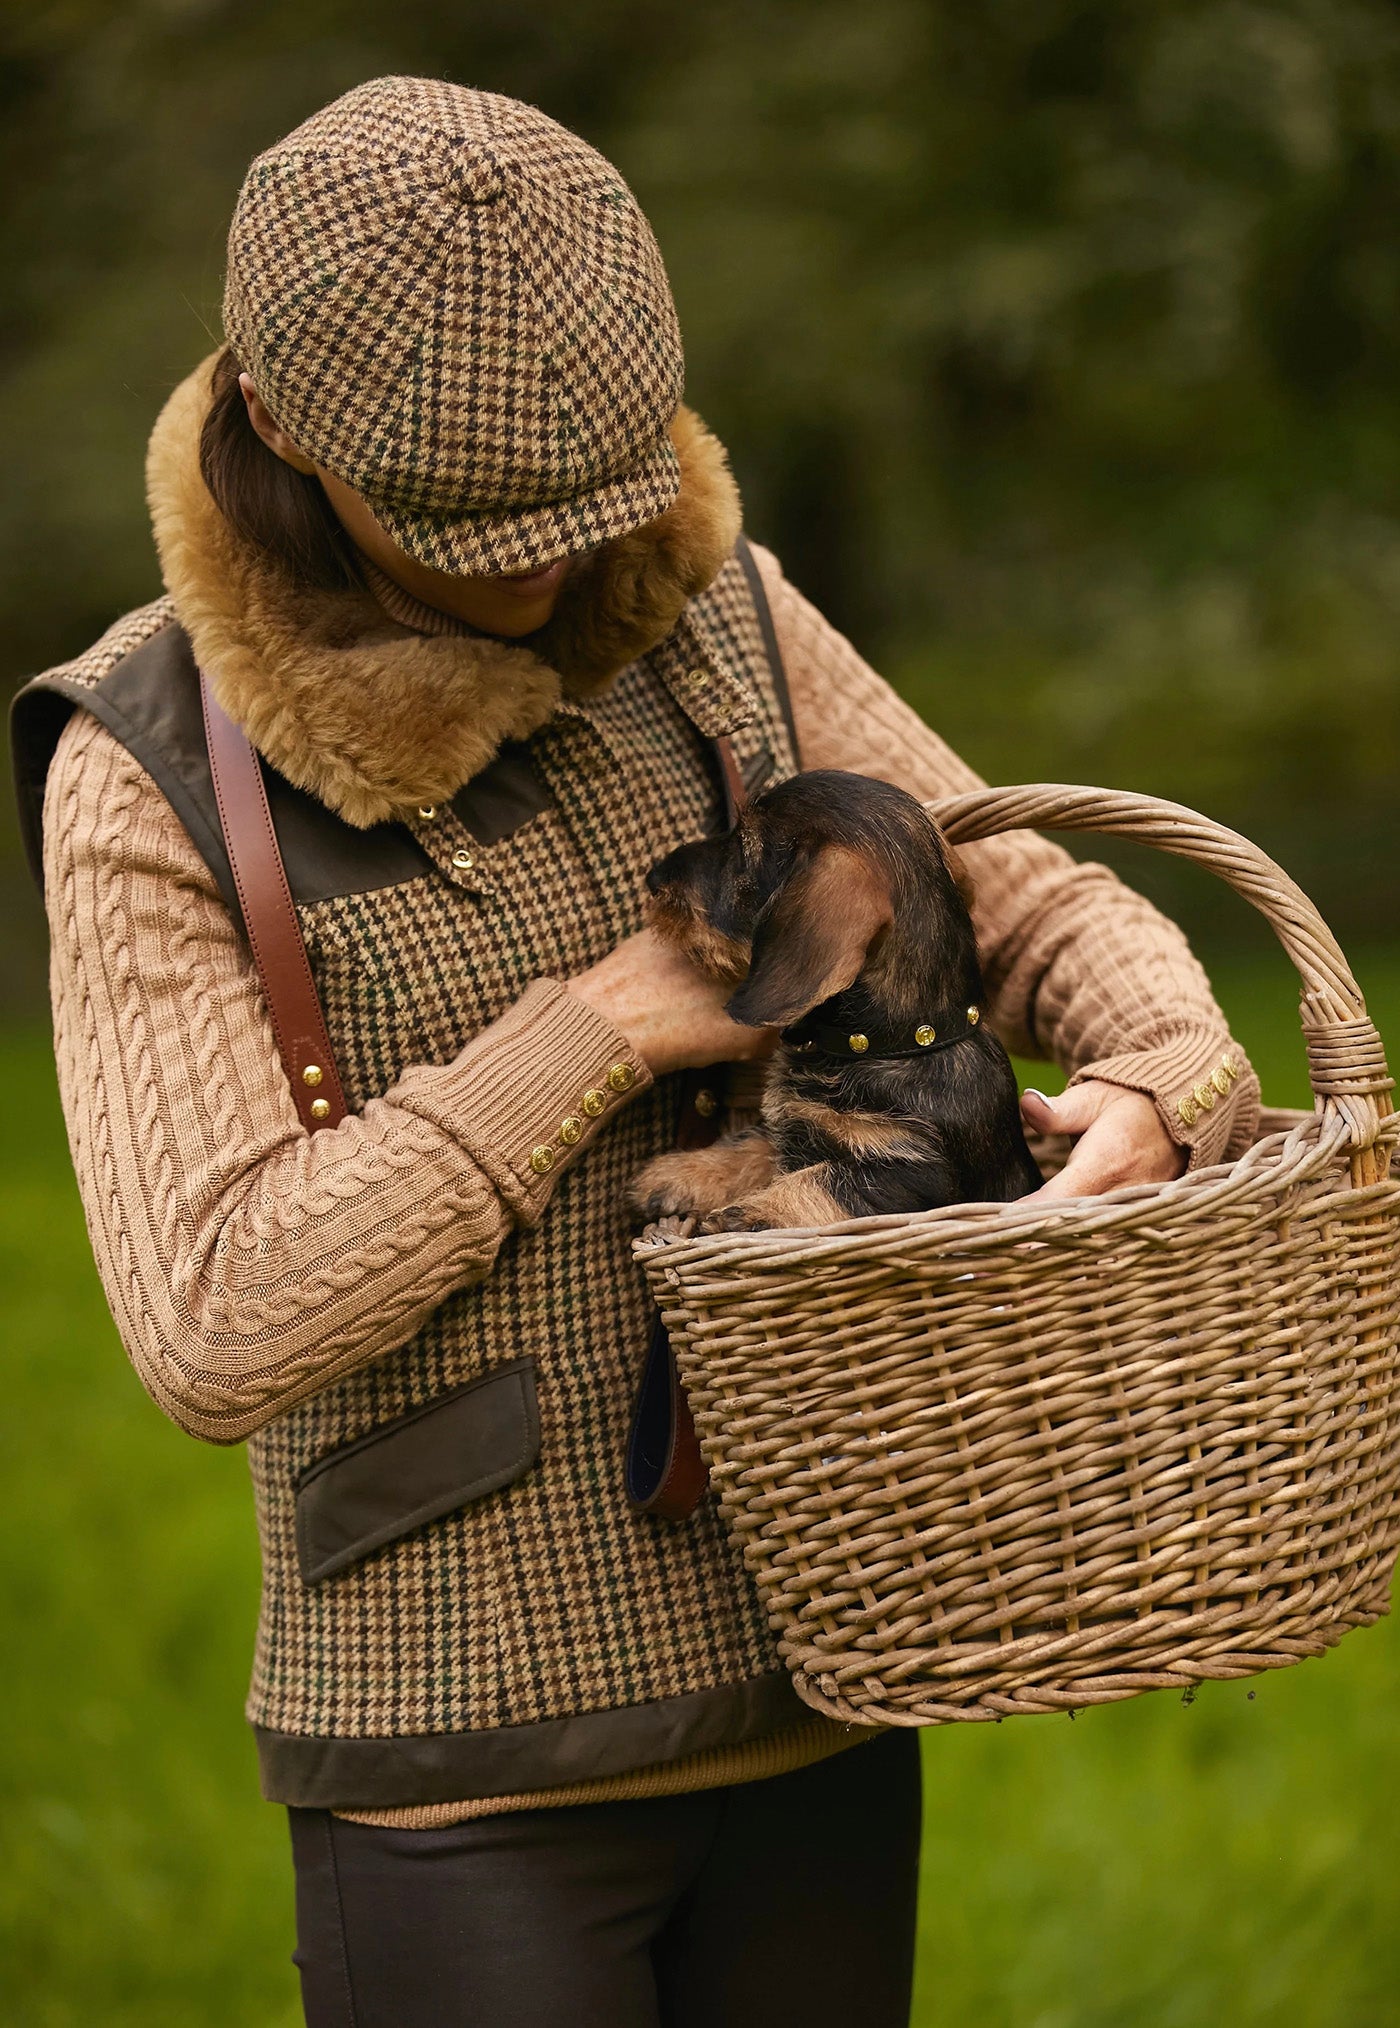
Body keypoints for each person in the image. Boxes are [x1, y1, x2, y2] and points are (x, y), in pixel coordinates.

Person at [12, 77, 1260, 2028]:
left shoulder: (706, 601)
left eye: (588, 512)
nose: (557, 571)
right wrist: (602, 1026)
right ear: (274, 420)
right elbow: (210, 1319)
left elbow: (1014, 897)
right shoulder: (151, 773)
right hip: (462, 1776)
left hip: (825, 1673)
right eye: (487, 531)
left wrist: (1160, 1085)